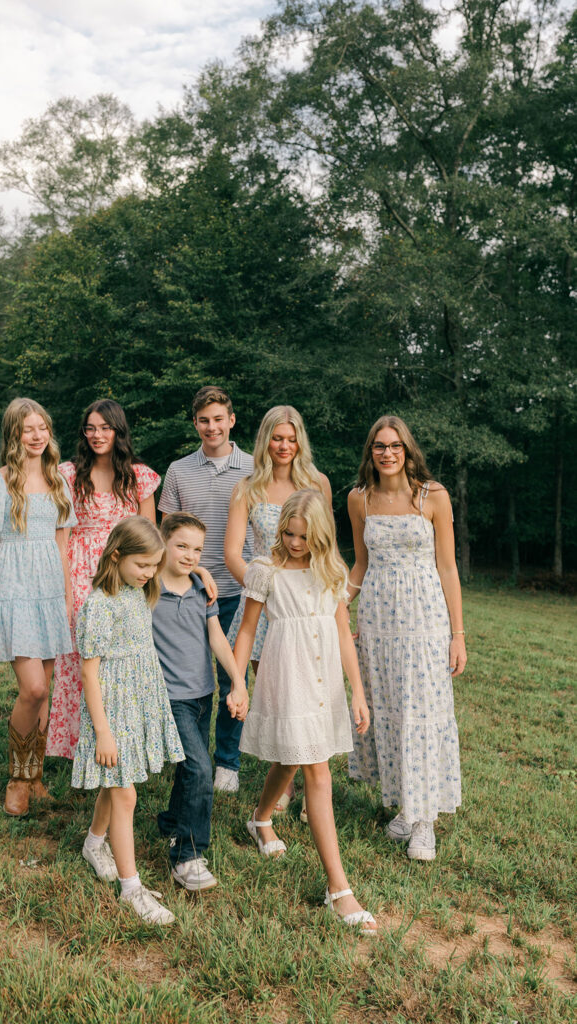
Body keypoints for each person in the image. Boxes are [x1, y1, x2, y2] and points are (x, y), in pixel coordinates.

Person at [233, 490, 377, 935]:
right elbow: (248, 630)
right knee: (317, 771)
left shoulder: (331, 571)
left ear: (319, 535)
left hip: (325, 678)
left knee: (293, 758)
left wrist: (357, 691)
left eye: (303, 536)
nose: (294, 543)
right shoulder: (265, 571)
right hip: (288, 674)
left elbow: (341, 632)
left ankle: (260, 817)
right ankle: (339, 889)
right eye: (288, 534)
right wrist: (238, 682)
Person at [346, 415, 466, 862]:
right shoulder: (359, 500)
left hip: (425, 621)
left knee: (423, 711)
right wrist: (339, 606)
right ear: (370, 452)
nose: (387, 453)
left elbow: (448, 568)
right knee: (391, 710)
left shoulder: (432, 496)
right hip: (378, 621)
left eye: (395, 445)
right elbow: (360, 564)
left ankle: (424, 822)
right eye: (379, 446)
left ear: (407, 449)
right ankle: (405, 807)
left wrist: (458, 634)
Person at [0, 397, 77, 816]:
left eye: (42, 428)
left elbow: (62, 549)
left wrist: (66, 600)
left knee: (45, 694)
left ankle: (36, 777)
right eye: (27, 429)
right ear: (14, 433)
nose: (36, 436)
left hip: (50, 592)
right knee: (33, 689)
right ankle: (17, 777)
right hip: (11, 588)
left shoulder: (59, 481)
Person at [71, 517, 184, 926]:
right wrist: (102, 730)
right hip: (112, 708)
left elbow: (174, 571)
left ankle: (94, 843)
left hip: (137, 702)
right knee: (125, 794)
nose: (150, 573)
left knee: (116, 783)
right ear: (116, 556)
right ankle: (131, 888)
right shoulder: (98, 605)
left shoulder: (138, 591)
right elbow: (89, 672)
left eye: (155, 566)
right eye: (143, 565)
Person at [224, 404, 332, 814]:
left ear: (299, 441)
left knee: (315, 696)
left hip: (308, 607)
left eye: (291, 438)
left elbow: (328, 547)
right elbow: (233, 553)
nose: (284, 446)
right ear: (264, 440)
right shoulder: (247, 487)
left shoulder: (318, 483)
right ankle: (283, 782)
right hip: (267, 609)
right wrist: (262, 587)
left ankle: (316, 784)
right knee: (283, 699)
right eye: (276, 437)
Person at [47, 399, 161, 762]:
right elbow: (61, 539)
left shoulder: (139, 477)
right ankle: (77, 745)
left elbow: (150, 536)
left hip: (125, 576)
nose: (97, 435)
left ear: (118, 431)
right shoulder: (68, 474)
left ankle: (120, 740)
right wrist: (65, 594)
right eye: (91, 428)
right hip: (81, 575)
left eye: (105, 428)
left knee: (121, 662)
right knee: (80, 661)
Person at [158, 385, 254, 794]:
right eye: (203, 420)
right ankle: (181, 750)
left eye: (218, 419)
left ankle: (227, 762)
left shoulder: (254, 468)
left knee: (233, 674)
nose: (211, 427)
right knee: (190, 678)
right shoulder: (179, 470)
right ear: (194, 423)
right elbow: (165, 530)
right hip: (188, 589)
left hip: (239, 589)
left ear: (231, 420)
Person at [152, 513, 249, 892]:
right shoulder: (147, 587)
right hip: (169, 697)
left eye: (197, 549)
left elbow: (218, 639)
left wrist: (238, 682)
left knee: (189, 767)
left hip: (201, 694)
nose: (190, 555)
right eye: (181, 546)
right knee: (200, 769)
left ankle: (171, 822)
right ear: (163, 543)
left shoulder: (200, 589)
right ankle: (188, 855)